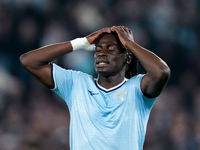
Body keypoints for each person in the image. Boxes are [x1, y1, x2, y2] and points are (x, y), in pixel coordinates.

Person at [20, 26, 170, 150]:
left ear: (127, 57)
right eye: (98, 50)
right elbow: (29, 61)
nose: (102, 54)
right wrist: (81, 43)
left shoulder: (136, 88)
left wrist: (130, 44)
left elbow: (161, 72)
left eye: (111, 49)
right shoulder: (76, 83)